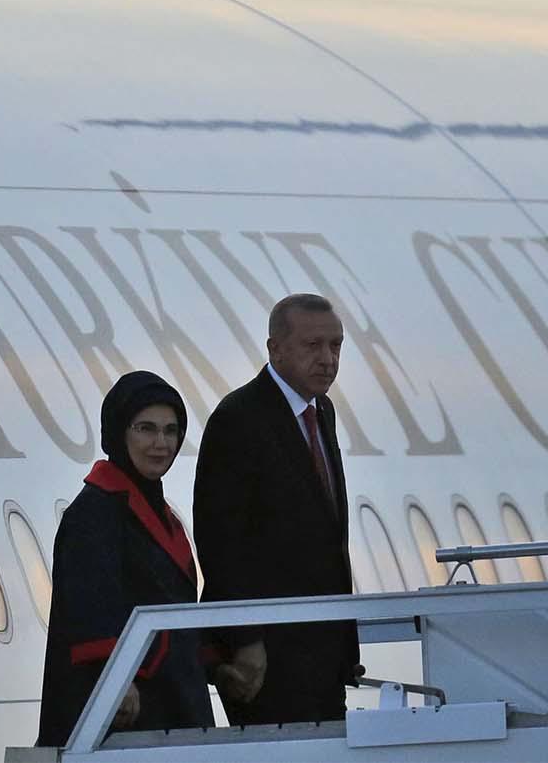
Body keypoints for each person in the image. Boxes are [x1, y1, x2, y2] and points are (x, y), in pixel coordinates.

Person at [193, 292, 359, 725]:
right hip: (268, 656)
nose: (327, 358)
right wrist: (247, 638)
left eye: (335, 345)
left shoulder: (321, 411)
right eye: (312, 346)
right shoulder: (239, 418)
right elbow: (220, 542)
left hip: (322, 649)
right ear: (275, 349)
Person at [37, 371, 214, 746]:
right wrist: (114, 675)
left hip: (172, 698)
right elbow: (90, 606)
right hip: (125, 708)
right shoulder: (95, 512)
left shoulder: (155, 510)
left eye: (170, 431)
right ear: (120, 432)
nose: (161, 443)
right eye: (146, 429)